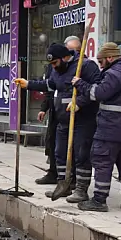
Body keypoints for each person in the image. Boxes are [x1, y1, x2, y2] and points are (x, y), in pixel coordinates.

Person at [16, 43, 101, 202]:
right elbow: (49, 85)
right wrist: (28, 84)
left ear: (64, 58)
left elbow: (98, 90)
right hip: (63, 120)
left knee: (81, 154)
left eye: (55, 63)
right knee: (59, 152)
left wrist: (80, 102)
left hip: (82, 120)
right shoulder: (57, 72)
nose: (53, 67)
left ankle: (81, 189)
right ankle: (63, 184)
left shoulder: (86, 66)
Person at [72, 42, 121, 211]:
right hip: (117, 127)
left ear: (110, 57)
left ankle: (99, 200)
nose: (100, 65)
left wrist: (80, 84)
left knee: (102, 161)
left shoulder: (114, 74)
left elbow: (99, 94)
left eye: (101, 62)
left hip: (111, 127)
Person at [35, 35, 83, 185]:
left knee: (74, 148)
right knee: (54, 143)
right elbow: (49, 87)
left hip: (74, 113)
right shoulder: (55, 66)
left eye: (75, 50)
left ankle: (71, 178)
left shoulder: (82, 65)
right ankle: (54, 172)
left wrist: (79, 102)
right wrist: (45, 107)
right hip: (57, 109)